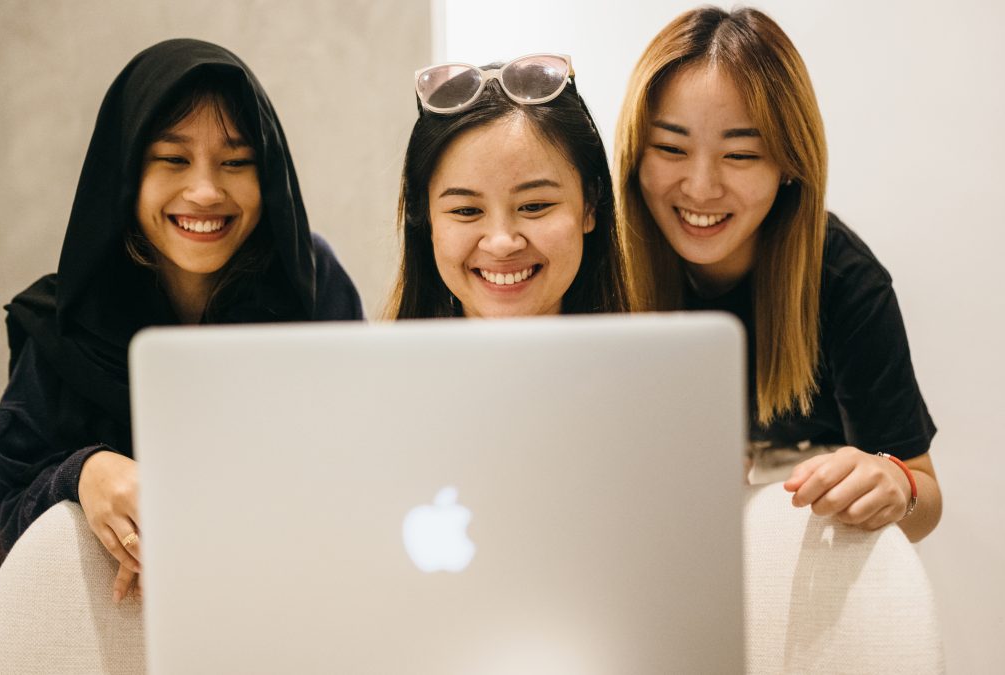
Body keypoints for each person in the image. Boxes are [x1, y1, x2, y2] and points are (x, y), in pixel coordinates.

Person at [0, 39, 364, 601]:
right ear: (126, 171)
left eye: (237, 162)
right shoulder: (62, 320)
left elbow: (362, 466)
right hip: (117, 632)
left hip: (290, 606)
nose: (206, 191)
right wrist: (83, 473)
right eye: (172, 159)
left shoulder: (311, 286)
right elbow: (11, 516)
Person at [615, 7, 942, 541]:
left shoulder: (844, 281)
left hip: (803, 547)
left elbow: (925, 500)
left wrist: (895, 484)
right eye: (671, 148)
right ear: (634, 150)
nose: (700, 187)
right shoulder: (605, 260)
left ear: (790, 163)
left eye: (741, 154)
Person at [386, 54, 628, 318]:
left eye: (534, 206)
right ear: (426, 218)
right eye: (467, 211)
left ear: (589, 206)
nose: (502, 243)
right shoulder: (380, 361)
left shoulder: (657, 360)